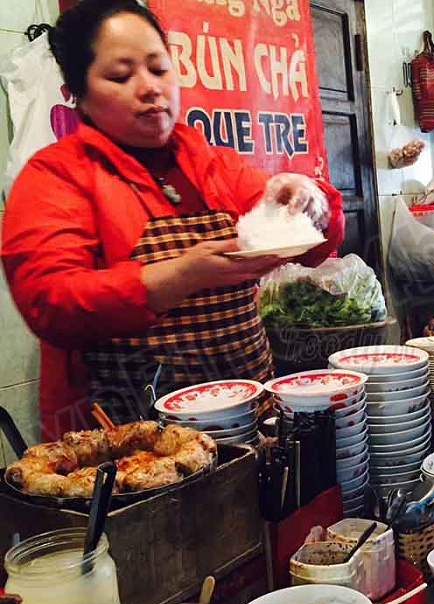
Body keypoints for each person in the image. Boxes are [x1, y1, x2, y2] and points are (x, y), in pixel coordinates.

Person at [1, 0, 345, 441]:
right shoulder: (57, 175)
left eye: (158, 69)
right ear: (78, 92)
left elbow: (317, 246)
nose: (149, 88)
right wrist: (183, 274)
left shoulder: (209, 162)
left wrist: (312, 203)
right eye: (121, 76)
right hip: (131, 440)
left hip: (247, 420)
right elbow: (50, 303)